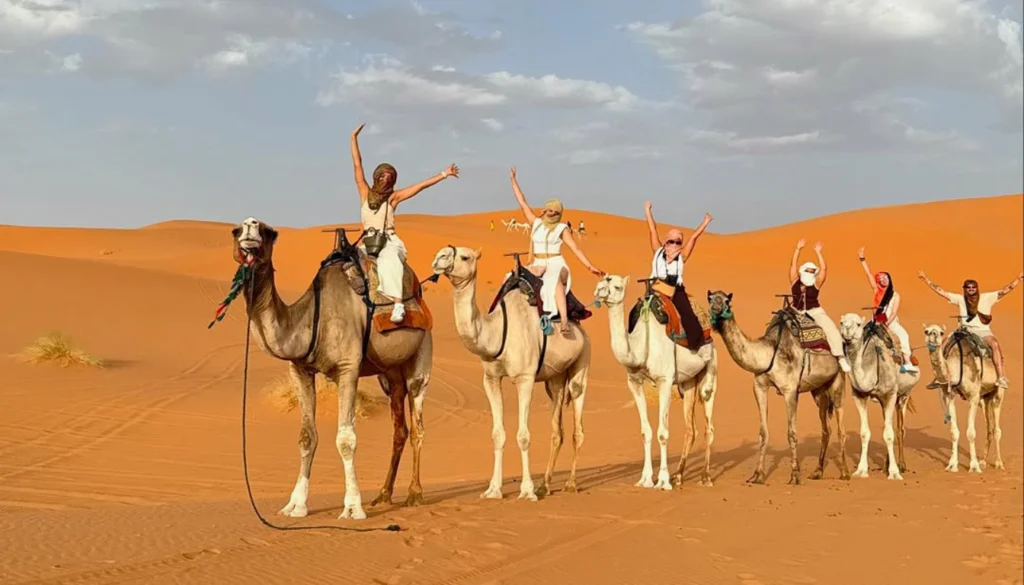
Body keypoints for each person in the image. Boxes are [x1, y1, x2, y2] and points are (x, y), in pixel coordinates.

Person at [350, 123, 459, 323]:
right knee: (343, 264)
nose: (386, 179)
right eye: (383, 175)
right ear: (376, 177)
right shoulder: (364, 193)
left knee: (390, 259)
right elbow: (358, 165)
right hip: (366, 243)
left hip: (388, 241)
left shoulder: (394, 198)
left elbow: (420, 187)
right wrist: (353, 139)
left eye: (390, 177)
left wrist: (444, 174)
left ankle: (398, 304)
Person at [510, 166, 604, 334]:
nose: (552, 213)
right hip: (537, 262)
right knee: (511, 277)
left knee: (554, 281)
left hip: (556, 263)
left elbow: (575, 248)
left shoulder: (562, 228)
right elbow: (522, 202)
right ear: (545, 209)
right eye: (550, 210)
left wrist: (590, 267)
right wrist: (513, 180)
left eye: (556, 211)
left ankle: (564, 322)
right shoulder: (536, 223)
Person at [919, 270, 1022, 388]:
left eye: (973, 287)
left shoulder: (987, 297)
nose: (971, 289)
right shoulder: (960, 299)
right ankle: (940, 377)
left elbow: (1005, 290)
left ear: (977, 288)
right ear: (965, 289)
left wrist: (1018, 280)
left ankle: (1001, 377)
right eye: (968, 287)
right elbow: (942, 292)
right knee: (943, 345)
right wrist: (926, 280)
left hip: (983, 331)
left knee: (994, 344)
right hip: (964, 330)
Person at [644, 201, 712, 353]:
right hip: (656, 287)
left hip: (676, 290)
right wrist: (648, 211)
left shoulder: (683, 256)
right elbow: (652, 229)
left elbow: (694, 237)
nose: (674, 244)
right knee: (637, 311)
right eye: (671, 241)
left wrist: (705, 222)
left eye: (678, 242)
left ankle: (695, 346)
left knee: (688, 314)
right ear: (665, 242)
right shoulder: (658, 250)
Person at [789, 240, 850, 372]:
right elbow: (793, 265)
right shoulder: (794, 281)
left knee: (831, 329)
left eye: (812, 271)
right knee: (778, 326)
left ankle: (840, 357)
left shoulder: (816, 283)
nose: (810, 272)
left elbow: (824, 269)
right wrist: (798, 249)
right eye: (808, 270)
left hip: (814, 312)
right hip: (795, 312)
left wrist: (818, 253)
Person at [857, 248, 918, 372]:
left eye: (886, 278)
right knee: (858, 335)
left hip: (891, 323)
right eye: (881, 278)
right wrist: (862, 260)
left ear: (889, 279)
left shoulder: (895, 295)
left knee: (903, 335)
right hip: (876, 322)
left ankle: (907, 362)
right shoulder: (876, 291)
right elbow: (869, 275)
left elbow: (894, 312)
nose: (883, 280)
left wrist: (887, 323)